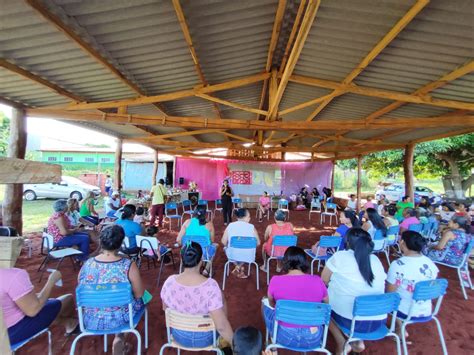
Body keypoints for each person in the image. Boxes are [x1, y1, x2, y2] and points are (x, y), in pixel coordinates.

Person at [78, 225, 145, 353]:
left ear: (101, 242)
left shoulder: (88, 264)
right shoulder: (128, 265)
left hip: (91, 318)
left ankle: (119, 337)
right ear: (121, 243)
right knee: (145, 297)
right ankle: (120, 337)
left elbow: (81, 286)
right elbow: (139, 294)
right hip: (122, 318)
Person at [322, 228, 387, 354]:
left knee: (322, 304)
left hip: (350, 320)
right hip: (378, 321)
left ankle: (341, 341)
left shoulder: (340, 256)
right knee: (360, 303)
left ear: (347, 241)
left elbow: (323, 281)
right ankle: (358, 341)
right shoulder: (375, 260)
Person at [160, 242, 233, 347]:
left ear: (182, 259)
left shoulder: (169, 282)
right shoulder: (211, 286)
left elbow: (165, 308)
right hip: (205, 338)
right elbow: (221, 327)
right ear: (201, 261)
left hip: (179, 335)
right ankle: (222, 340)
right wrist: (235, 345)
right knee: (221, 297)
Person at [262, 247, 328, 349]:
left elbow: (271, 304)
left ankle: (272, 340)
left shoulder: (275, 280)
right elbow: (327, 304)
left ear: (285, 262)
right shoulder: (317, 280)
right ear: (304, 262)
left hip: (284, 337)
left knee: (264, 302)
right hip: (313, 338)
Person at [1, 266, 77, 346]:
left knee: (46, 303)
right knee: (68, 299)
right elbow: (33, 310)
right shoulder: (12, 275)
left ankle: (67, 322)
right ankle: (70, 323)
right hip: (13, 332)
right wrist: (51, 281)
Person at [387, 231, 439, 337]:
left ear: (402, 242)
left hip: (406, 311)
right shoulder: (430, 262)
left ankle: (400, 330)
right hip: (427, 309)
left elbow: (390, 293)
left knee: (389, 298)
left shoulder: (398, 264)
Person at [177, 206, 217, 276]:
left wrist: (183, 245)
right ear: (205, 213)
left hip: (187, 251)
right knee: (215, 246)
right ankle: (206, 270)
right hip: (203, 253)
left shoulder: (187, 222)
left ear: (194, 212)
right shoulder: (209, 224)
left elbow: (178, 240)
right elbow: (212, 241)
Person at [221, 208, 260, 279]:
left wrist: (229, 245)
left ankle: (237, 266)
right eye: (249, 216)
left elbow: (223, 241)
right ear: (244, 217)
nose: (250, 218)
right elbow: (258, 243)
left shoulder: (230, 226)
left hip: (232, 255)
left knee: (225, 248)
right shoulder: (251, 227)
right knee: (247, 250)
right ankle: (239, 267)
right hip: (249, 256)